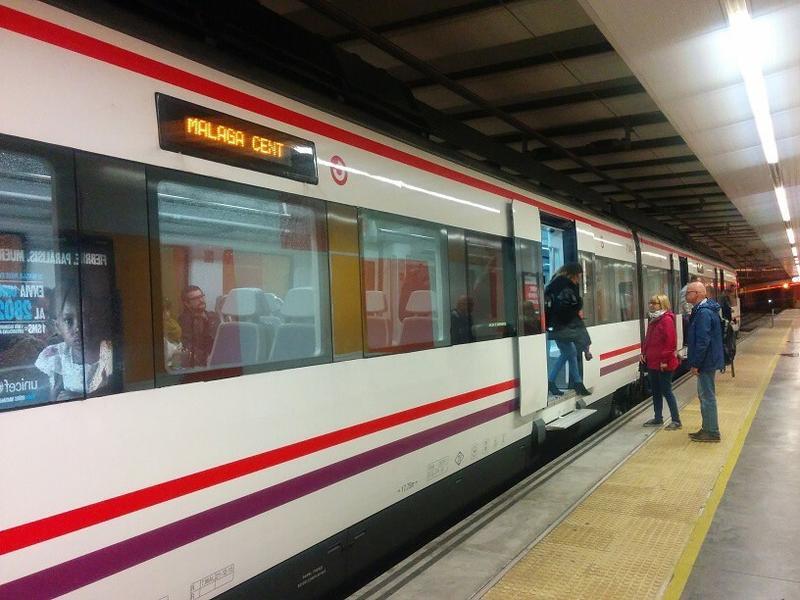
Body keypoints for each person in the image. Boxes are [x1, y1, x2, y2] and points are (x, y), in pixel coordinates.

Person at [35, 280, 113, 400]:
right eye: (68, 321)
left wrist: (81, 398)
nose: (79, 328)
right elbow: (54, 397)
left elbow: (114, 390)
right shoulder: (59, 355)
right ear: (57, 326)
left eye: (87, 318)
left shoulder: (107, 351)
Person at [685, 281, 724, 442]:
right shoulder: (704, 310)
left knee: (707, 397)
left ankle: (712, 432)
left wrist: (696, 363)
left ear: (698, 294)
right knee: (705, 396)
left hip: (706, 362)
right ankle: (707, 428)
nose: (686, 295)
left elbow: (703, 341)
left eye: (689, 292)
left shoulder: (703, 313)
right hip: (707, 360)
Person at [545, 262, 592, 397]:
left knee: (570, 352)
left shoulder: (555, 283)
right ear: (573, 275)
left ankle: (578, 383)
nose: (579, 280)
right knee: (569, 352)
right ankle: (551, 381)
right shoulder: (565, 286)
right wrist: (579, 303)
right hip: (562, 325)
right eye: (578, 276)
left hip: (557, 324)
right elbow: (570, 306)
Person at [641, 294, 681, 429]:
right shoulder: (653, 319)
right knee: (656, 391)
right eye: (650, 303)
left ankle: (676, 420)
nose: (651, 305)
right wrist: (644, 353)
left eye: (654, 303)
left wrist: (664, 360)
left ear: (662, 304)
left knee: (666, 391)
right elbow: (648, 339)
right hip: (652, 362)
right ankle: (658, 418)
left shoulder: (666, 320)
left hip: (664, 363)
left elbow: (670, 342)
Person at [178, 285, 220, 368]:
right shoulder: (184, 321)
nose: (201, 300)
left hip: (218, 360)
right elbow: (187, 345)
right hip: (198, 365)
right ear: (187, 304)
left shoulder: (214, 317)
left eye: (201, 296)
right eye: (195, 298)